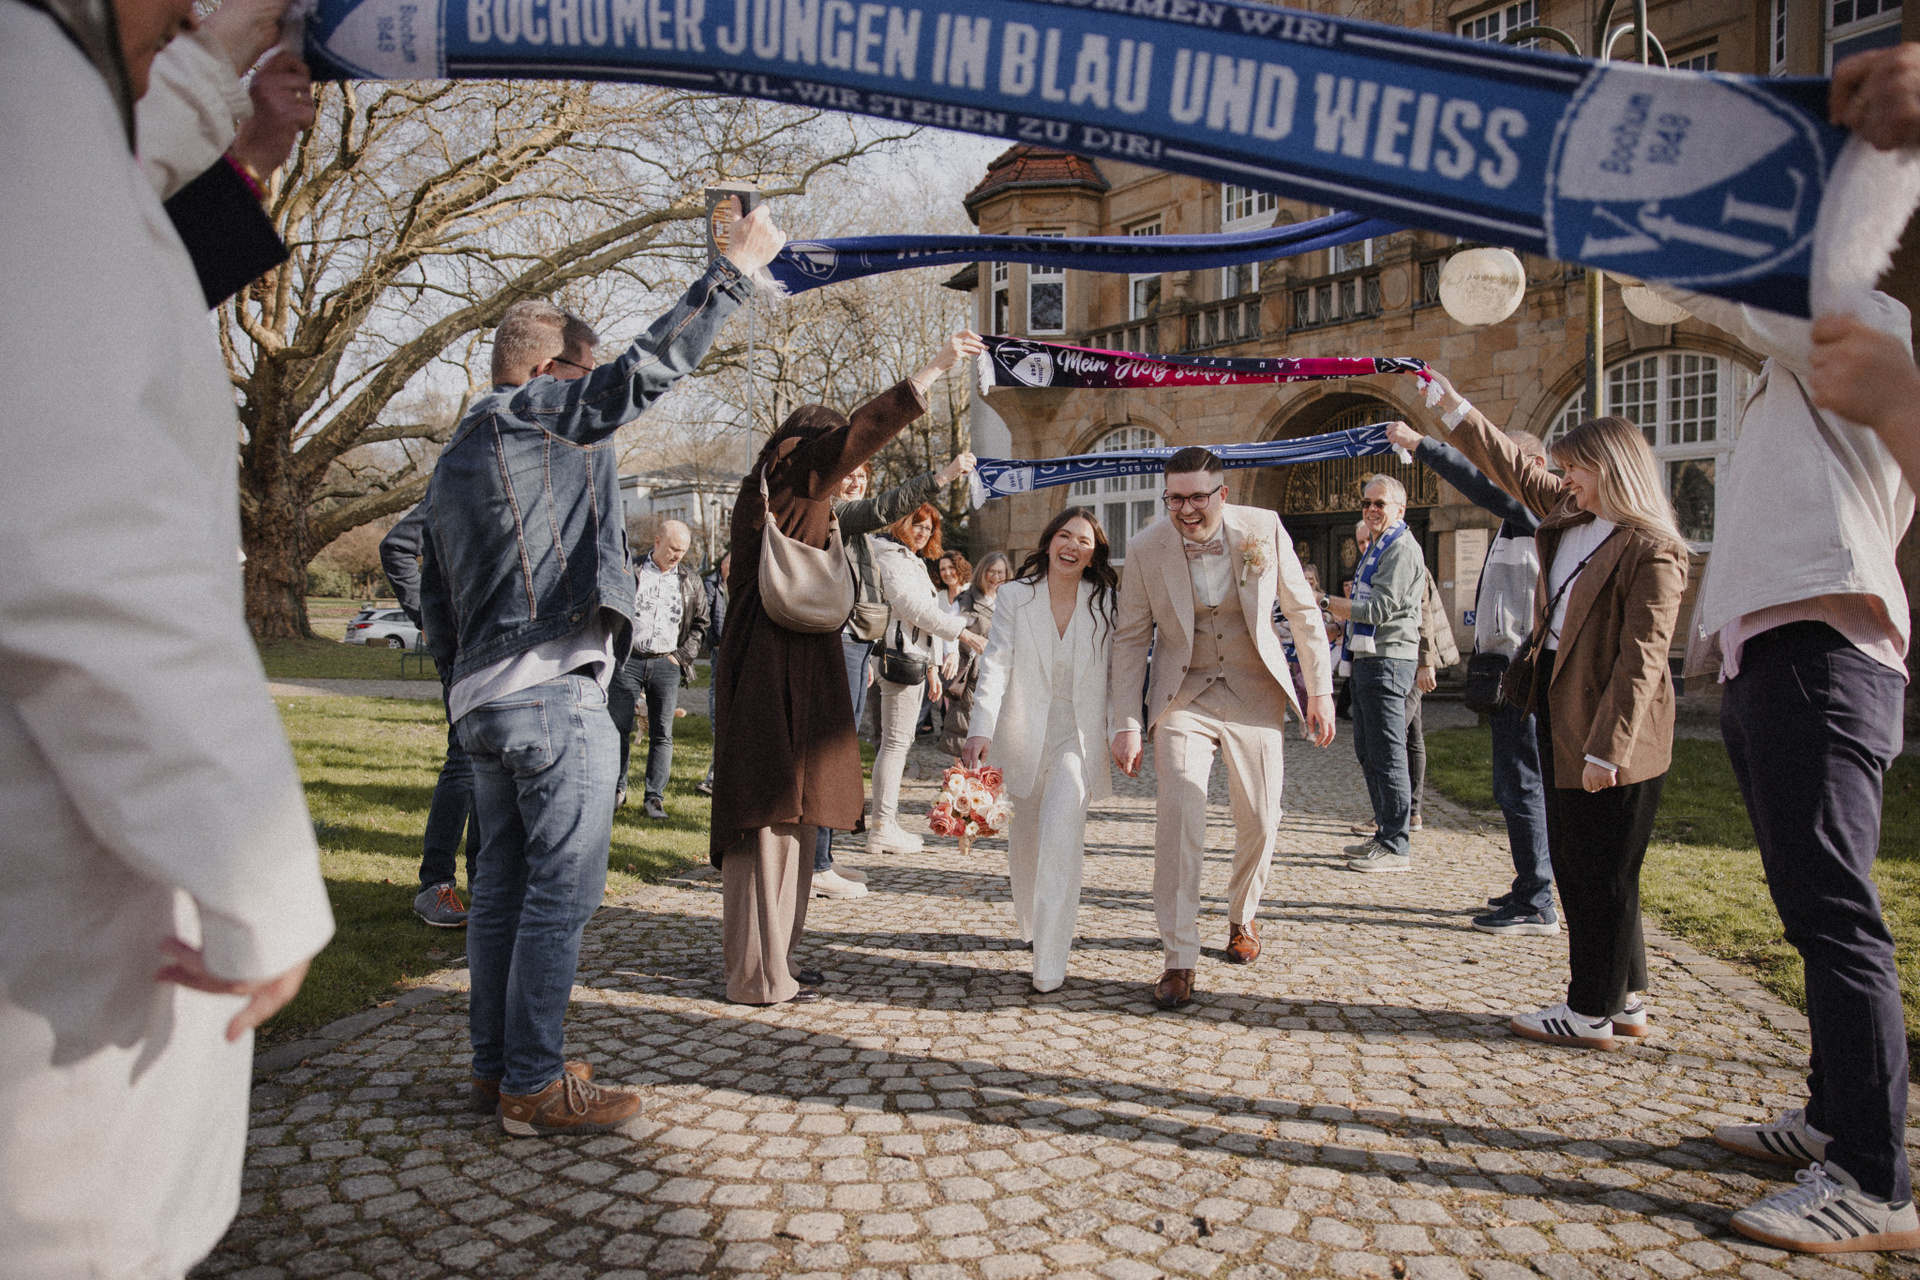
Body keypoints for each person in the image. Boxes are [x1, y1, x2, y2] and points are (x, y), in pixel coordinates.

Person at [3, 0, 333, 1272]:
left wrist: (217, 98)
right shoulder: (23, 71)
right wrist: (252, 861)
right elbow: (76, 527)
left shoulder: (55, 90)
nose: (198, 10)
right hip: (57, 910)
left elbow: (111, 194)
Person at [419, 203, 786, 1134]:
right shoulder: (535, 414)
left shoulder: (456, 453)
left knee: (501, 891)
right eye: (581, 377)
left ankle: (499, 1068)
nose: (595, 404)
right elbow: (641, 375)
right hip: (551, 691)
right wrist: (732, 274)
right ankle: (535, 1084)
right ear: (549, 372)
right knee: (562, 893)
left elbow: (431, 592)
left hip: (483, 706)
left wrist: (461, 696)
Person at [1649, 276, 1920, 1247]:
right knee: (1810, 909)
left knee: (1836, 914)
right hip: (1775, 650)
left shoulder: (1864, 321)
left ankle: (1873, 1180)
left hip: (1825, 649)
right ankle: (1832, 1117)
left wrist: (1648, 242)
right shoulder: (1782, 366)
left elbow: (1723, 296)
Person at [710, 330, 986, 1005]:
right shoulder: (790, 480)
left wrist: (939, 477)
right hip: (771, 678)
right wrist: (935, 367)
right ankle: (759, 975)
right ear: (809, 449)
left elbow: (875, 504)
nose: (846, 469)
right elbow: (860, 434)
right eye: (835, 456)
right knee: (771, 821)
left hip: (792, 672)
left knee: (798, 821)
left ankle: (779, 962)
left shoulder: (805, 501)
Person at [1423, 376, 1687, 1056]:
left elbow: (1642, 660)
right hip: (1562, 711)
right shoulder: (1571, 513)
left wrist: (1608, 749)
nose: (1564, 479)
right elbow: (1509, 465)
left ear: (1612, 470)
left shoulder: (1653, 549)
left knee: (1599, 871)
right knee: (1589, 864)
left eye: (1575, 469)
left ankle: (1588, 1010)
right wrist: (1452, 407)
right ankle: (1626, 998)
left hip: (1614, 729)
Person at [1108, 448, 1337, 1010]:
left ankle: (1242, 914)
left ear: (1222, 494)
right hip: (1182, 696)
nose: (1186, 510)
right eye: (1175, 499)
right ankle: (1178, 956)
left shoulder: (1264, 528)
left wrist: (1321, 690)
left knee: (1261, 815)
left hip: (1254, 692)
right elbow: (1131, 639)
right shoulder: (1145, 548)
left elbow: (1303, 612)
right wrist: (1127, 722)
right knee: (1180, 813)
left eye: (1197, 497)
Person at [1383, 419, 1557, 937]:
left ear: (1535, 468)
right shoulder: (1513, 523)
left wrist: (1422, 446)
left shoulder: (1535, 511)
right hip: (1503, 672)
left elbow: (1479, 485)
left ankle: (1538, 899)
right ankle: (1530, 884)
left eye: (1503, 466)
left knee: (1523, 784)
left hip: (1522, 674)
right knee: (1512, 785)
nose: (1493, 477)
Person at [811, 452, 979, 897]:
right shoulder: (871, 538)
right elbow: (912, 608)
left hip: (866, 647)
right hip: (871, 649)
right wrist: (945, 474)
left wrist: (935, 660)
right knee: (873, 745)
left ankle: (824, 856)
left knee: (851, 748)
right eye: (848, 476)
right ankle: (863, 836)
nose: (856, 483)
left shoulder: (892, 551)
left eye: (862, 477)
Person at [964, 511, 1118, 993]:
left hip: (1079, 736)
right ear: (1050, 542)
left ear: (1094, 554)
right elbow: (996, 664)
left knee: (1062, 836)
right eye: (1064, 536)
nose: (1072, 546)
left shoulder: (1106, 601)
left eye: (1084, 541)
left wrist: (1123, 730)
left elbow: (1121, 670)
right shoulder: (1015, 596)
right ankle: (1032, 925)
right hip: (1022, 732)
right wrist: (980, 728)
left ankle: (1050, 961)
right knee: (1027, 840)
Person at [1320, 476, 1427, 871]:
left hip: (1389, 661)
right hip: (1369, 658)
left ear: (1400, 509)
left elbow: (1379, 610)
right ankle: (1384, 832)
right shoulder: (1379, 546)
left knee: (1388, 754)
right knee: (1369, 751)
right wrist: (1338, 625)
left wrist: (1325, 601)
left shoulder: (1400, 548)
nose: (1371, 510)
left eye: (1380, 503)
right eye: (1366, 503)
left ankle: (1396, 844)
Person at [869, 503, 988, 853]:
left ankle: (885, 823)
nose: (922, 532)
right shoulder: (890, 556)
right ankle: (882, 826)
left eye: (928, 527)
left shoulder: (909, 557)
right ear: (900, 522)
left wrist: (935, 665)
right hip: (899, 657)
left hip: (913, 657)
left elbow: (925, 616)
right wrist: (963, 633)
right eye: (916, 524)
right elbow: (914, 609)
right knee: (895, 744)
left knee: (898, 743)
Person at [382, 498, 479, 927]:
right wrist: (426, 615)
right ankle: (435, 884)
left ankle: (486, 882)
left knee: (497, 765)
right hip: (462, 648)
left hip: (510, 646)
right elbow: (396, 547)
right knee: (465, 762)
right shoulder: (459, 483)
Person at [609, 519, 709, 817]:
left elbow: (701, 624)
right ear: (657, 542)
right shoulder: (632, 571)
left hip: (667, 663)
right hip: (629, 660)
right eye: (673, 548)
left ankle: (654, 797)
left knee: (662, 733)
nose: (678, 555)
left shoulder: (691, 580)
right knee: (619, 728)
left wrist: (681, 656)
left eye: (683, 550)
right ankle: (616, 790)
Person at [938, 551, 1011, 757]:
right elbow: (951, 629)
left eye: (1001, 572)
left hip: (1004, 675)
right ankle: (964, 777)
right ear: (982, 572)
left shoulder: (1009, 599)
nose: (996, 577)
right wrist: (952, 654)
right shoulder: (967, 599)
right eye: (991, 571)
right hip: (973, 677)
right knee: (966, 733)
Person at [920, 549, 974, 739]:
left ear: (960, 568)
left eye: (951, 567)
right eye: (942, 569)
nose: (947, 572)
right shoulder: (938, 597)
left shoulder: (972, 592)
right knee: (946, 698)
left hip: (968, 656)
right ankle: (949, 733)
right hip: (943, 656)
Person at [696, 550, 730, 797]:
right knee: (720, 715)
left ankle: (718, 778)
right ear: (724, 565)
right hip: (721, 652)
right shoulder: (711, 585)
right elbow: (705, 619)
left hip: (739, 652)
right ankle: (714, 778)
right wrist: (716, 644)